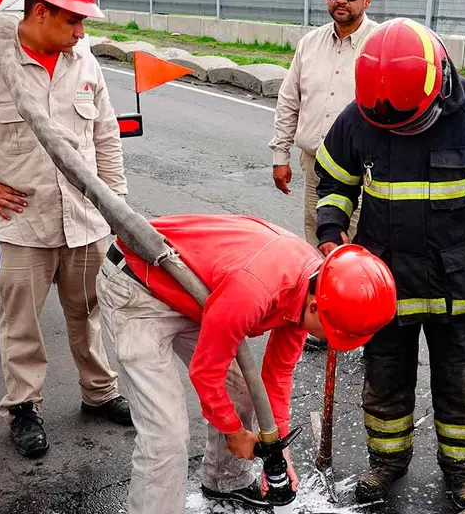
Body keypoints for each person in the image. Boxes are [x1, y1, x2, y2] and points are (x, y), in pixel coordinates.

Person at [314, 17, 465, 510]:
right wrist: (330, 231)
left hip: (460, 282)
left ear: (439, 85)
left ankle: (464, 476)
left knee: (461, 385)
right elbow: (334, 182)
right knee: (384, 381)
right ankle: (386, 465)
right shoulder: (359, 116)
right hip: (382, 286)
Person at [0, 0, 131, 459]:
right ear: (40, 10)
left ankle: (99, 392)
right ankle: (24, 407)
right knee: (19, 321)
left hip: (86, 220)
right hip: (22, 223)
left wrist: (117, 205)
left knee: (87, 312)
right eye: (73, 20)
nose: (81, 33)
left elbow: (106, 134)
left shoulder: (84, 60)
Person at [97, 214, 397, 513]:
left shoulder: (315, 285)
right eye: (333, 334)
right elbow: (205, 373)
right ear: (316, 307)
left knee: (242, 391)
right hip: (137, 286)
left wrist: (279, 450)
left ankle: (227, 480)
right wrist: (233, 432)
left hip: (195, 293)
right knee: (166, 436)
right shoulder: (254, 291)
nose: (332, 343)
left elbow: (277, 375)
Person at [269, 0, 380, 249]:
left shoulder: (382, 46)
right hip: (316, 166)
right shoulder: (309, 44)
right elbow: (289, 101)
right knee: (319, 244)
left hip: (366, 173)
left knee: (358, 251)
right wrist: (281, 156)